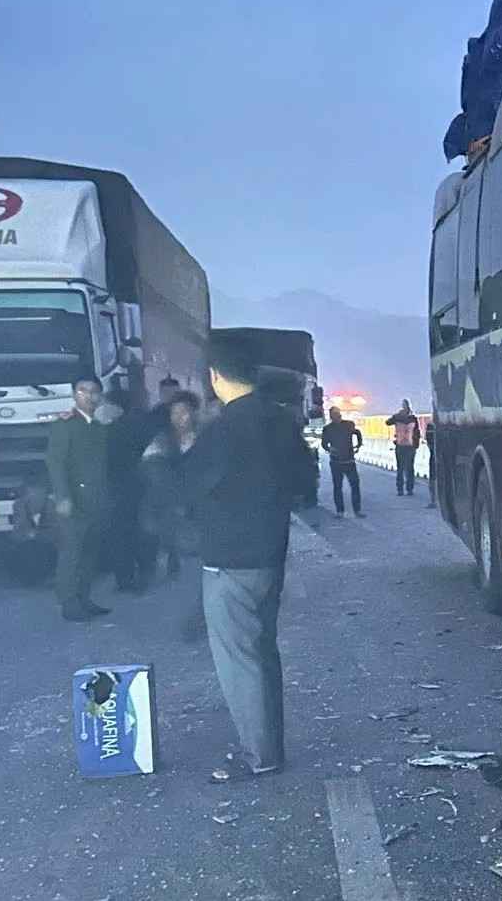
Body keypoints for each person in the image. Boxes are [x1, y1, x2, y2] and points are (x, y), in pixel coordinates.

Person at [184, 334, 312, 782]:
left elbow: (192, 488)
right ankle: (268, 745)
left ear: (215, 377)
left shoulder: (222, 429)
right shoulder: (281, 422)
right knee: (262, 653)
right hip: (269, 554)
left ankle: (260, 755)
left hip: (228, 560)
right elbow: (305, 478)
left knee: (239, 660)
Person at [46, 376, 113, 622]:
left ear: (100, 396)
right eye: (82, 391)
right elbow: (55, 462)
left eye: (93, 392)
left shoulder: (97, 427)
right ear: (74, 395)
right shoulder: (64, 425)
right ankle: (68, 602)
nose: (88, 396)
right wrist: (62, 496)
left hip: (96, 499)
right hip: (74, 500)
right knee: (71, 553)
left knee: (90, 553)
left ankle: (84, 597)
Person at [140, 390, 201, 580]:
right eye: (174, 413)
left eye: (184, 412)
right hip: (172, 506)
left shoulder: (205, 437)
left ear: (194, 413)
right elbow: (152, 470)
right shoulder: (162, 440)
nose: (179, 418)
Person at [105, 389, 159, 593]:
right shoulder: (142, 426)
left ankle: (124, 579)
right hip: (142, 485)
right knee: (141, 530)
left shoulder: (105, 431)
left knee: (120, 534)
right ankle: (145, 570)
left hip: (116, 488)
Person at [319, 407, 363, 517]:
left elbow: (357, 433)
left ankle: (357, 510)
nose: (336, 417)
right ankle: (340, 511)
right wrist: (330, 449)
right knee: (338, 487)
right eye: (334, 415)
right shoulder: (328, 429)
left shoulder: (348, 425)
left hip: (349, 460)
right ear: (331, 417)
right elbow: (324, 444)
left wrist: (358, 445)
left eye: (337, 415)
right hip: (336, 461)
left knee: (355, 485)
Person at [389, 399, 421, 497]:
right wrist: (416, 444)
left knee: (401, 468)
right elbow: (417, 432)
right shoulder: (413, 418)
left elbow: (388, 422)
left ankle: (400, 490)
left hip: (401, 446)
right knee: (409, 468)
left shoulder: (398, 417)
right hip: (410, 446)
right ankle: (409, 489)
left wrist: (397, 416)